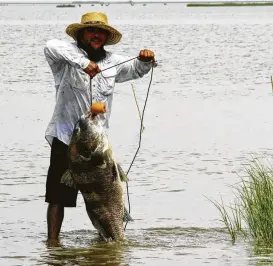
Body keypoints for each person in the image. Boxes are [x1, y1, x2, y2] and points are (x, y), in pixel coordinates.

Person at [44, 11, 155, 240]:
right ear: (81, 34)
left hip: (97, 144)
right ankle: (53, 244)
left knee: (103, 197)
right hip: (66, 139)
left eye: (100, 32)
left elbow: (135, 69)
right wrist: (84, 63)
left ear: (106, 36)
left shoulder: (113, 62)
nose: (96, 35)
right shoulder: (66, 58)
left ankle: (107, 241)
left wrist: (145, 59)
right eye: (91, 30)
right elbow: (50, 46)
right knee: (57, 197)